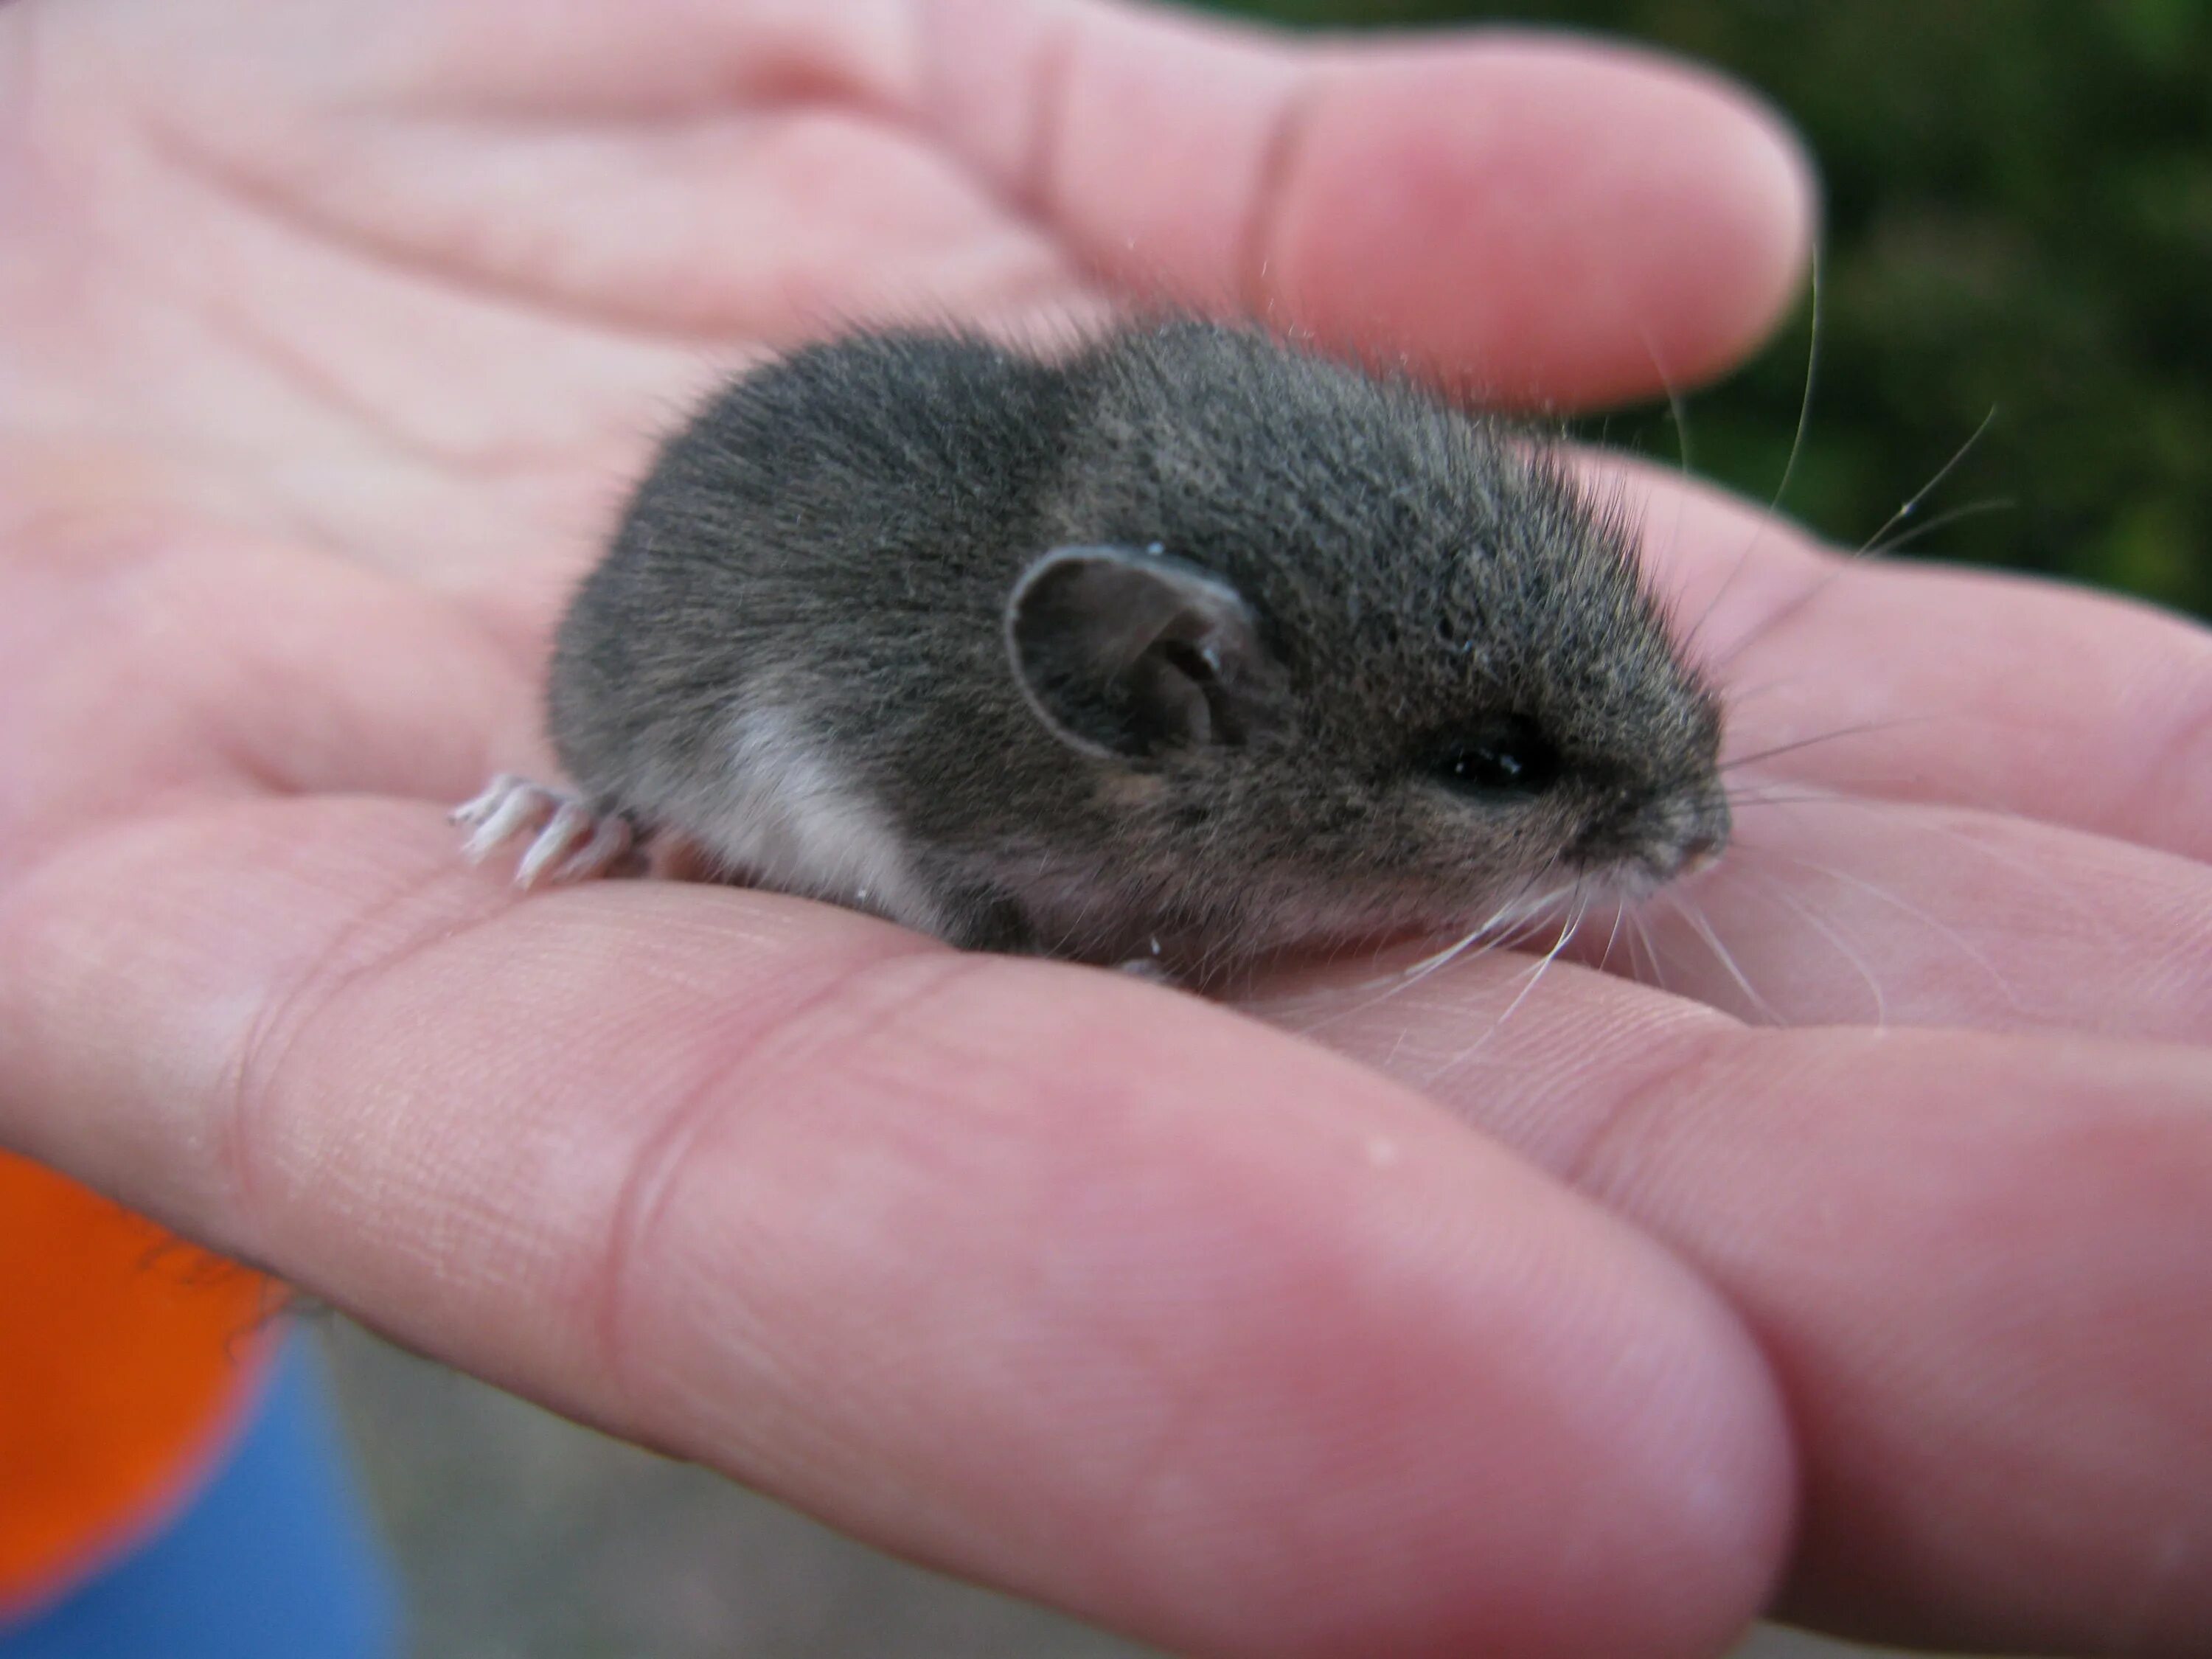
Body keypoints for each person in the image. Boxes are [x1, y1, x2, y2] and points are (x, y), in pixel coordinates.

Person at [0, 1, 2205, 1655]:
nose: (1675, 826)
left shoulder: (1190, 680)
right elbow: (885, 793)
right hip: (668, 686)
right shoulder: (993, 732)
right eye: (1509, 773)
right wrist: (1020, 935)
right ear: (1161, 688)